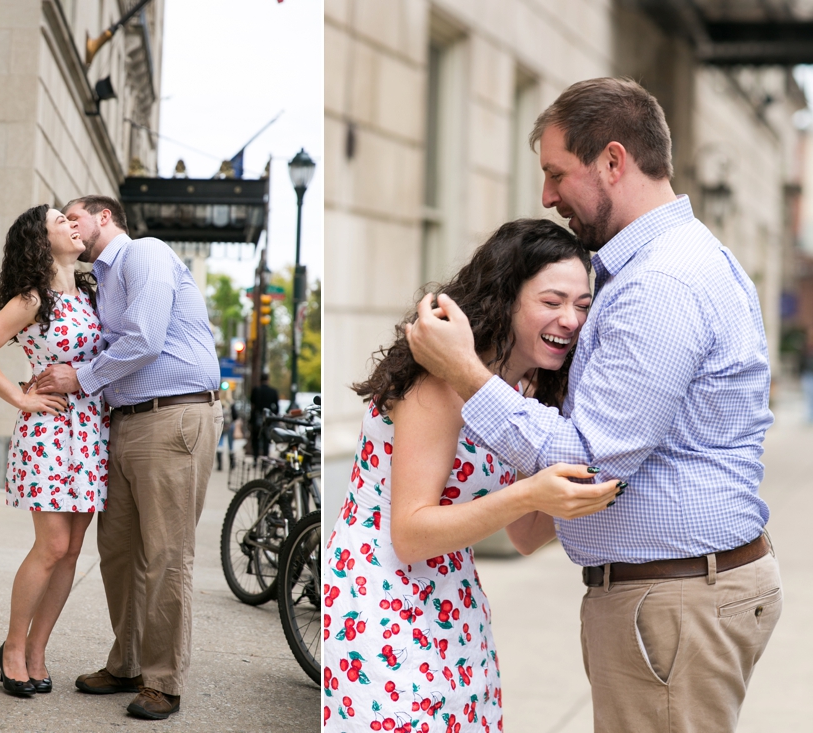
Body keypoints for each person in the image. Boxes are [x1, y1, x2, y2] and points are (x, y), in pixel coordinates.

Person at [406, 78, 782, 733]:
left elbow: (587, 463)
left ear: (613, 160)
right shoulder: (676, 261)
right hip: (678, 592)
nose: (546, 196)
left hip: (674, 597)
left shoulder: (660, 282)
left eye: (556, 173)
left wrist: (466, 372)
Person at [323, 219, 623, 731]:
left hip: (454, 613)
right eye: (552, 302)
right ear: (506, 298)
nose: (570, 320)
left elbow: (525, 535)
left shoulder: (524, 392)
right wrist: (531, 490)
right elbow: (413, 534)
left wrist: (608, 469)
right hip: (380, 609)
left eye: (582, 306)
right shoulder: (439, 381)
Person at [33, 195, 222, 721]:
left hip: (175, 418)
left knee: (166, 554)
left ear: (105, 217)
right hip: (123, 423)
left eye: (76, 217)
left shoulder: (145, 254)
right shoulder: (102, 281)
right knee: (117, 551)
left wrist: (80, 377)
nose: (70, 226)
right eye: (62, 221)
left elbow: (143, 339)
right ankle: (129, 663)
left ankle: (164, 681)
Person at [0, 204, 109, 697]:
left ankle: (39, 648)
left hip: (90, 433)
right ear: (42, 241)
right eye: (58, 221)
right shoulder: (32, 299)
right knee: (50, 547)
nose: (71, 223)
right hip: (48, 433)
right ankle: (12, 648)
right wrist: (22, 397)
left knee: (71, 552)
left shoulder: (91, 293)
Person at [249, 370, 279, 457]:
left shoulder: (256, 390)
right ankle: (265, 459)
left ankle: (255, 458)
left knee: (255, 439)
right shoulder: (273, 391)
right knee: (266, 439)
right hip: (268, 419)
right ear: (268, 380)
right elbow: (276, 407)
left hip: (256, 418)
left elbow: (252, 404)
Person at [216, 389, 238, 471]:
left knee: (220, 444)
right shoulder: (231, 403)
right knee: (231, 445)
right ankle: (232, 464)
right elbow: (235, 416)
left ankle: (220, 465)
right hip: (230, 426)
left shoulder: (219, 403)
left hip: (221, 425)